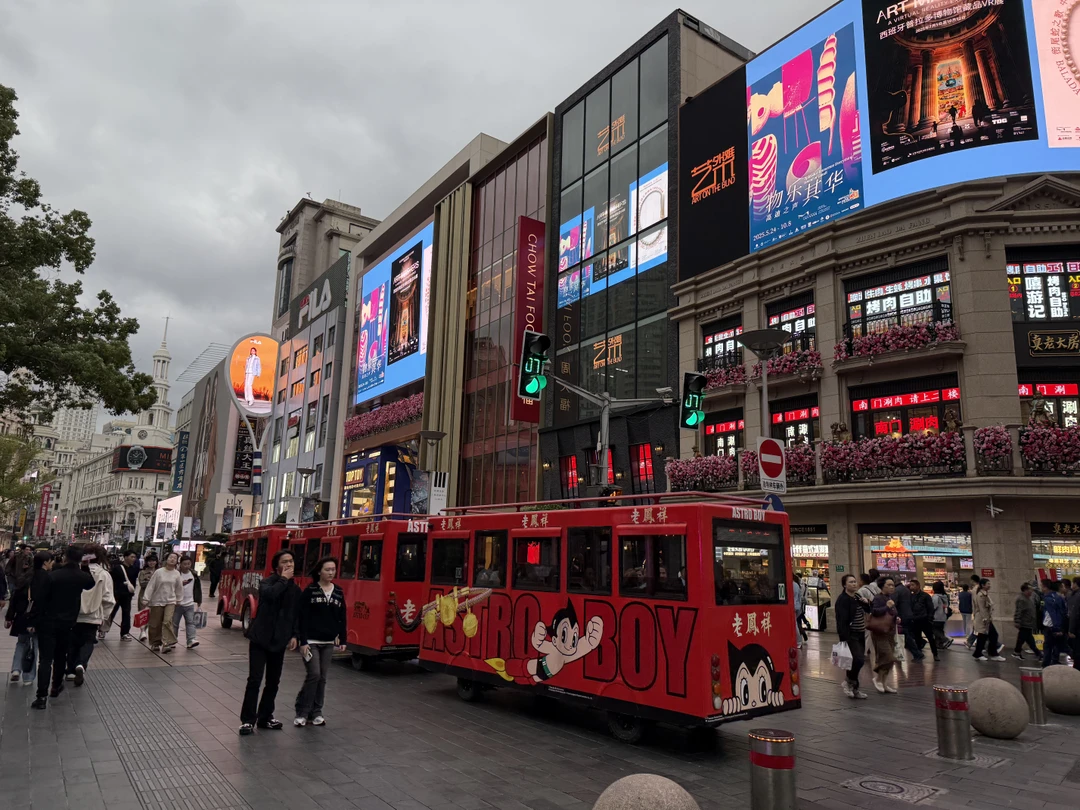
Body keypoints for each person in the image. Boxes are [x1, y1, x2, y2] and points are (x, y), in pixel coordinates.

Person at [239, 549, 301, 736]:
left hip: (279, 640)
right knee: (255, 679)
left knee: (273, 681)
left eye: (291, 561)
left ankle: (266, 716)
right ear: (276, 567)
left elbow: (296, 615)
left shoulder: (295, 589)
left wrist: (295, 635)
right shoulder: (267, 583)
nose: (289, 565)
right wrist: (283, 579)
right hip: (260, 638)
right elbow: (270, 596)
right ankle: (248, 720)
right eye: (284, 562)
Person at [28, 546, 95, 709]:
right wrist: (85, 566)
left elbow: (40, 600)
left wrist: (32, 621)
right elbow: (90, 584)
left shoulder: (53, 576)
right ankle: (55, 687)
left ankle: (41, 697)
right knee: (60, 657)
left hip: (48, 621)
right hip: (68, 623)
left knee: (45, 659)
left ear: (64, 557)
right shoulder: (81, 577)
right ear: (80, 560)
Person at [294, 557, 348, 726]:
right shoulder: (310, 591)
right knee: (314, 674)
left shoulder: (338, 591)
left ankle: (316, 712)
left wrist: (343, 638)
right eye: (327, 569)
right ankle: (302, 712)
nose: (331, 572)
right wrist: (302, 641)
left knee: (322, 677)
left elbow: (342, 617)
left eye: (333, 569)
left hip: (328, 642)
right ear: (319, 571)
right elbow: (301, 617)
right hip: (310, 641)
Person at [67, 544, 115, 686]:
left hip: (73, 614)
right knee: (88, 641)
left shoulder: (74, 572)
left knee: (72, 642)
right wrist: (104, 616)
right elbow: (108, 599)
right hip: (93, 615)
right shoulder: (104, 574)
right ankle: (81, 664)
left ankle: (70, 670)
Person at [5, 550, 52, 684]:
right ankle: (28, 676)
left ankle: (15, 669)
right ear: (45, 563)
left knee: (21, 643)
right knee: (34, 645)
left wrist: (9, 617)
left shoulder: (26, 576)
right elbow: (44, 601)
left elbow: (14, 598)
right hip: (36, 618)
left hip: (21, 616)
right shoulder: (47, 578)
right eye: (50, 561)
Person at [834, 574, 868, 700]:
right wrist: (844, 638)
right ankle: (849, 682)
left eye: (855, 581)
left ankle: (854, 687)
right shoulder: (843, 600)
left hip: (860, 633)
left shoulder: (858, 597)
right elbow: (841, 621)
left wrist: (866, 603)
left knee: (855, 661)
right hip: (850, 634)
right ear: (844, 585)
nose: (854, 584)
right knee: (858, 659)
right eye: (851, 582)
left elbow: (867, 610)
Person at [144, 552, 183, 653]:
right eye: (171, 557)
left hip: (170, 600)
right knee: (155, 623)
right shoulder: (159, 572)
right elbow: (151, 585)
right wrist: (146, 598)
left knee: (167, 621)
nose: (172, 559)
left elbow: (179, 588)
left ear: (177, 561)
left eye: (175, 558)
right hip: (157, 600)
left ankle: (167, 643)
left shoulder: (177, 573)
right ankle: (155, 643)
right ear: (166, 559)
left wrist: (179, 599)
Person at [869, 577, 900, 694]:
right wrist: (887, 606)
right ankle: (877, 679)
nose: (892, 587)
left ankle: (884, 682)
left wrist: (896, 618)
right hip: (880, 632)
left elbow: (893, 613)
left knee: (889, 658)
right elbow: (875, 611)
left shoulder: (890, 598)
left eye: (893, 585)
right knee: (887, 656)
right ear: (882, 586)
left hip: (890, 632)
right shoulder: (878, 598)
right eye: (889, 585)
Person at [171, 555, 202, 649]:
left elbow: (197, 588)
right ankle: (172, 640)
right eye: (184, 564)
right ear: (180, 564)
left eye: (188, 564)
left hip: (190, 603)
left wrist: (199, 601)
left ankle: (191, 640)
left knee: (190, 622)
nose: (187, 566)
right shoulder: (176, 574)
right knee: (174, 623)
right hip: (177, 603)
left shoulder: (194, 574)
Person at [106, 550, 138, 640]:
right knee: (110, 613)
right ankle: (103, 630)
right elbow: (111, 580)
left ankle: (125, 632)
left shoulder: (134, 569)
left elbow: (133, 582)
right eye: (131, 557)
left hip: (127, 595)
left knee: (126, 613)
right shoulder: (117, 568)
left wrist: (132, 591)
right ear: (125, 557)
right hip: (116, 594)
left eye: (134, 557)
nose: (133, 559)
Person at [972, 578, 1006, 662]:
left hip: (984, 619)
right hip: (983, 620)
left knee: (983, 637)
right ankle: (992, 653)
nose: (989, 585)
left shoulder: (985, 594)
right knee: (992, 635)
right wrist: (986, 620)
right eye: (988, 584)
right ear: (983, 585)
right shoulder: (981, 595)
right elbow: (982, 609)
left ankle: (978, 653)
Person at [907, 579, 939, 661]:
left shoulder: (925, 596)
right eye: (910, 585)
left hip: (925, 620)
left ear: (918, 586)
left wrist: (930, 618)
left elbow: (930, 608)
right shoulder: (911, 596)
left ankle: (935, 654)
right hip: (915, 620)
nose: (911, 587)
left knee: (930, 638)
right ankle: (919, 654)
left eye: (913, 585)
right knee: (917, 638)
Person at [1041, 578, 1068, 668]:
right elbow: (1063, 613)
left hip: (1050, 626)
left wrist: (1056, 627)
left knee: (1048, 646)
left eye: (1042, 586)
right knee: (1058, 645)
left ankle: (1046, 666)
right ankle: (1054, 662)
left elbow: (1053, 614)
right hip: (1057, 626)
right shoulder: (1059, 597)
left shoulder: (1048, 599)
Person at [891, 573, 918, 661]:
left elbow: (893, 603)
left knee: (905, 636)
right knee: (907, 635)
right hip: (909, 614)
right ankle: (916, 652)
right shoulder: (906, 590)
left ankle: (917, 653)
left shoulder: (896, 590)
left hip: (902, 615)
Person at [1013, 582, 1041, 660]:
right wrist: (1017, 621)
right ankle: (1038, 653)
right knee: (1026, 639)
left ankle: (1017, 652)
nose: (1031, 591)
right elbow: (1019, 611)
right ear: (1025, 590)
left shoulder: (1029, 598)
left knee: (1025, 639)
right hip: (1025, 622)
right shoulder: (1021, 599)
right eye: (1030, 589)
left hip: (1029, 622)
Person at [136, 555, 158, 641]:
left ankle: (147, 631)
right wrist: (152, 582)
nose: (151, 563)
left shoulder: (159, 572)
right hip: (144, 595)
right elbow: (142, 583)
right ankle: (142, 632)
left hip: (156, 596)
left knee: (153, 615)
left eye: (153, 561)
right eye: (150, 561)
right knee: (143, 614)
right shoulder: (143, 572)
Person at [793, 573, 808, 648]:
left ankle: (798, 641)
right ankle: (799, 639)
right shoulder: (796, 585)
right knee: (795, 623)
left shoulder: (792, 584)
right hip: (797, 606)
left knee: (795, 624)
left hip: (793, 607)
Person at [1068, 578, 1080, 671]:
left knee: (1078, 652)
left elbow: (1074, 614)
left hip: (1078, 629)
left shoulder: (1077, 596)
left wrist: (1071, 629)